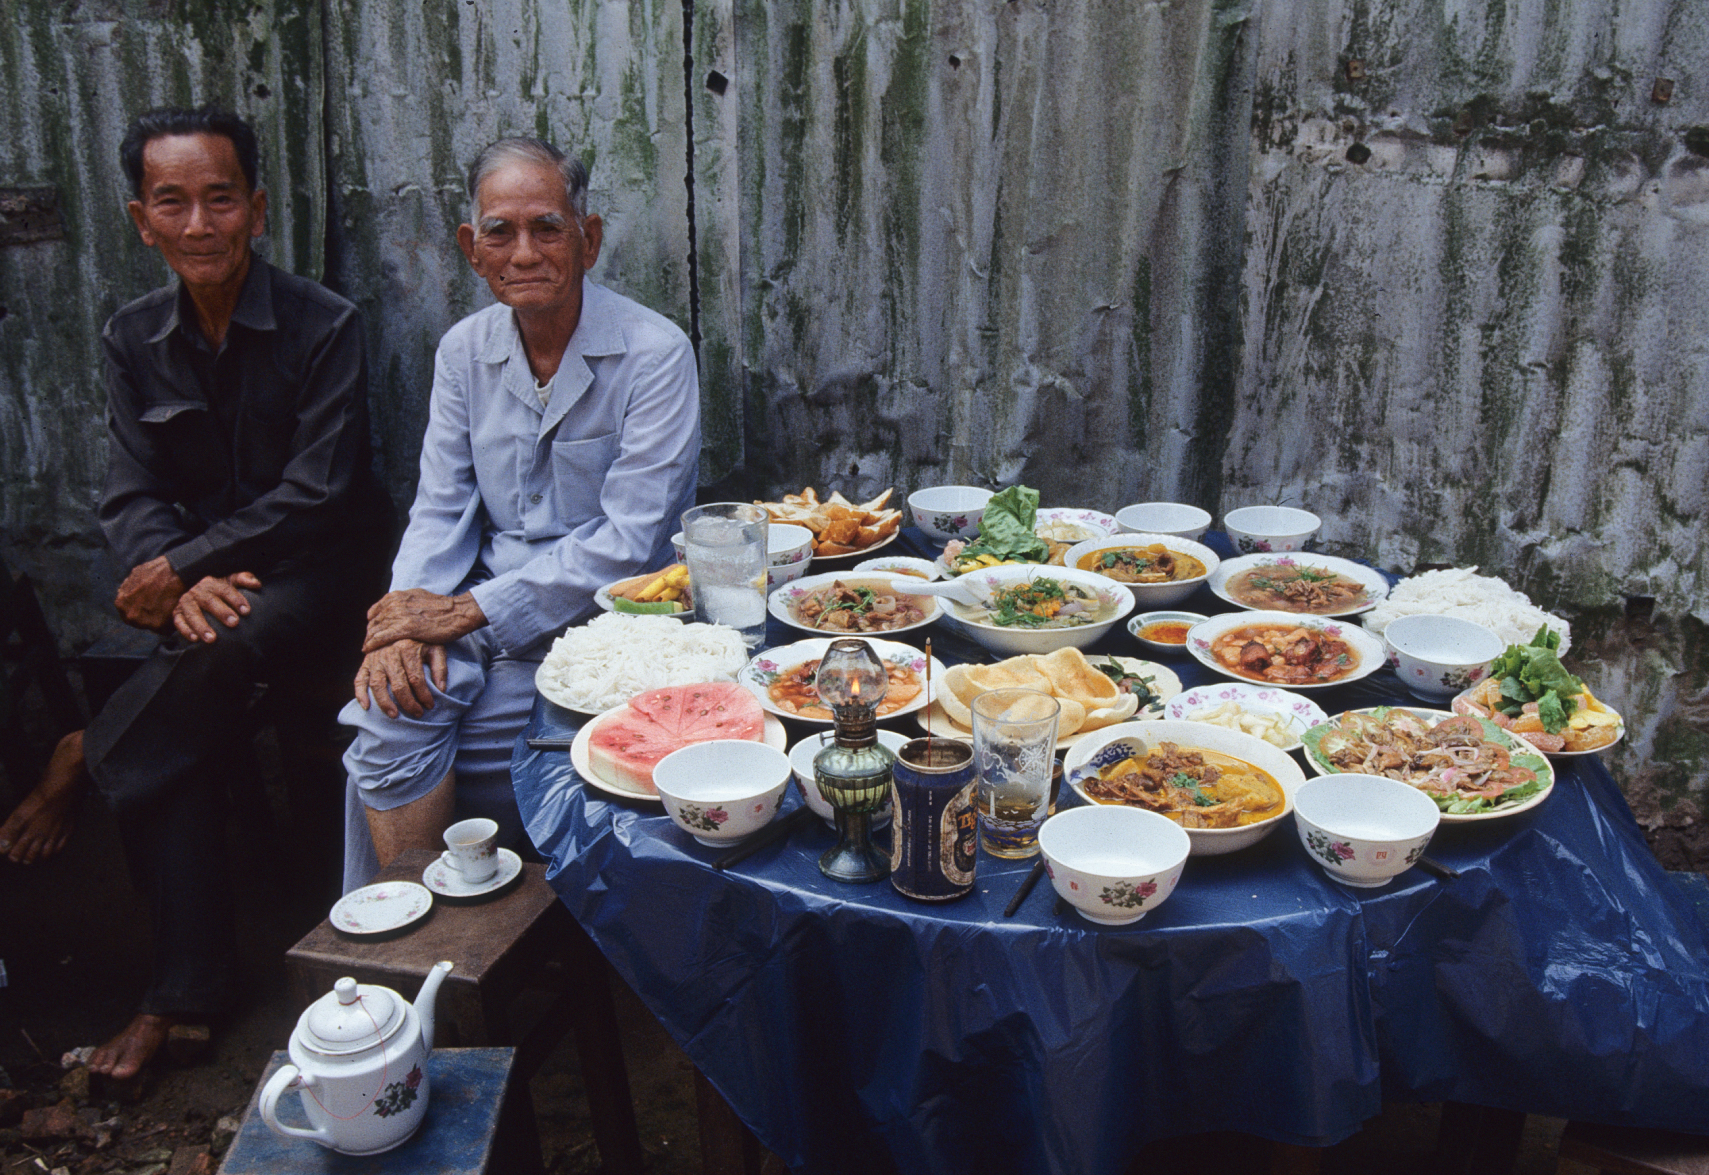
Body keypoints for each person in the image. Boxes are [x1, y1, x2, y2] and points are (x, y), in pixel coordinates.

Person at [0, 106, 394, 1077]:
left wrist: (184, 568)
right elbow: (131, 485)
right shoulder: (132, 336)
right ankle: (180, 997)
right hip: (210, 596)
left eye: (220, 198)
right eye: (172, 202)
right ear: (142, 220)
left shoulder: (322, 323)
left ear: (256, 210)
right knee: (190, 701)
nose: (198, 223)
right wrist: (173, 573)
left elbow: (318, 492)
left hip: (328, 577)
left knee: (196, 663)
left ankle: (93, 749)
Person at [339, 138, 700, 889]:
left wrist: (464, 612)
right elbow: (439, 507)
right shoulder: (463, 351)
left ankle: (422, 959)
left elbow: (631, 541)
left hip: (605, 628)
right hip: (469, 616)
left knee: (403, 756)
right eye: (499, 231)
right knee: (385, 714)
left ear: (588, 239)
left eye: (548, 227)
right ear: (472, 249)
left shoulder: (655, 352)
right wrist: (403, 622)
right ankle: (410, 956)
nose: (524, 251)